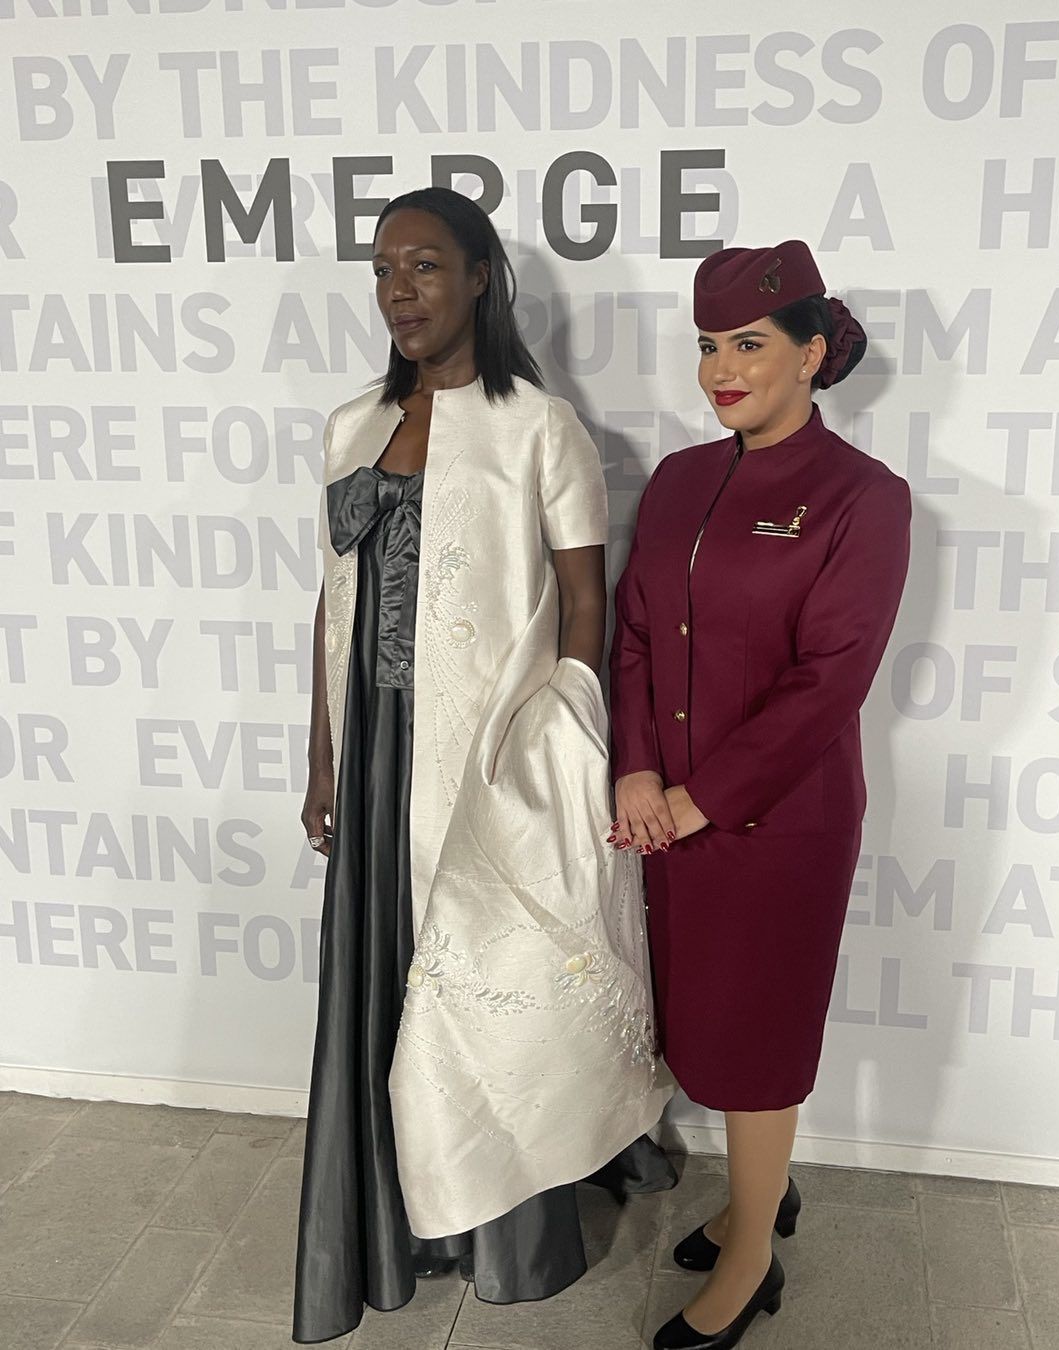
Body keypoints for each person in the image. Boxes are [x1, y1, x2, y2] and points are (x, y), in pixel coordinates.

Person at [293, 186, 673, 1345]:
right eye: (381, 270)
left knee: (488, 978)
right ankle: (400, 1218)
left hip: (491, 749)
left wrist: (560, 739)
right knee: (389, 975)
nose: (398, 291)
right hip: (376, 753)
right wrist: (322, 756)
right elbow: (334, 601)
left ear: (479, 279)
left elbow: (585, 603)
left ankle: (506, 1230)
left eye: (422, 266)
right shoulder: (351, 424)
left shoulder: (539, 427)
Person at [609, 240, 911, 1350]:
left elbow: (831, 679)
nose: (720, 371)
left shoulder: (865, 498)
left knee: (758, 1033)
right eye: (706, 346)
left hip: (781, 823)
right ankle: (756, 1199)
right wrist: (639, 769)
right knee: (704, 1021)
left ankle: (750, 1259)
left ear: (812, 353)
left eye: (747, 344)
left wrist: (703, 797)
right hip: (668, 813)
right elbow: (636, 633)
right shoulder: (681, 481)